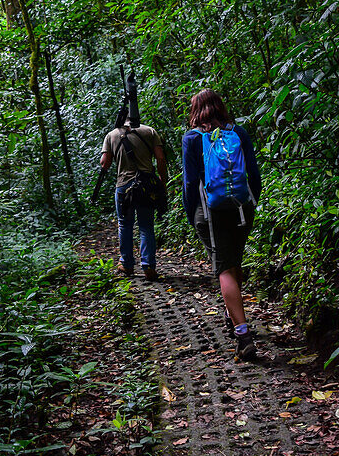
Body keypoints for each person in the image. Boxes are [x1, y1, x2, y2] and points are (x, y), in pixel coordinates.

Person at [182, 89, 262, 360]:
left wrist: (190, 212)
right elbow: (254, 173)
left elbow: (191, 183)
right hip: (243, 207)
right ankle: (233, 315)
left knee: (224, 268)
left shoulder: (192, 138)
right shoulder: (238, 132)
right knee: (234, 262)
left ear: (196, 111)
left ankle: (243, 334)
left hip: (210, 210)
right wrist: (250, 203)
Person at [101, 118, 168, 279]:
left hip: (124, 185)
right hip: (146, 185)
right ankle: (149, 266)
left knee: (124, 225)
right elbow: (160, 158)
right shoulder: (149, 131)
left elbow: (105, 163)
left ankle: (127, 264)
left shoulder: (112, 135)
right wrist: (162, 180)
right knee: (146, 226)